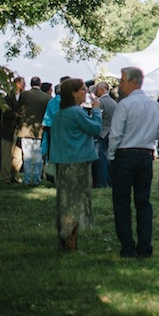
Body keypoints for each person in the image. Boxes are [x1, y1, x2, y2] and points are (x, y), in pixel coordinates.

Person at [109, 66, 159, 259]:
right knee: (143, 201)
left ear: (132, 82)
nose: (120, 85)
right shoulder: (154, 105)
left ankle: (127, 246)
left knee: (122, 201)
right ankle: (144, 247)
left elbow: (115, 134)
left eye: (122, 81)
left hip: (125, 154)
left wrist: (111, 156)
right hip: (145, 155)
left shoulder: (124, 105)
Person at [51, 78, 102, 251]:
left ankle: (66, 240)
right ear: (73, 93)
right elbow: (95, 128)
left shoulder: (60, 114)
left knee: (65, 201)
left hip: (63, 161)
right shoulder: (76, 112)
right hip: (76, 162)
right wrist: (96, 111)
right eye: (82, 89)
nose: (86, 92)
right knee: (74, 202)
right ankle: (70, 242)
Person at [17, 76, 50, 185]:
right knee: (38, 157)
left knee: (26, 156)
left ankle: (27, 178)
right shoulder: (46, 97)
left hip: (25, 129)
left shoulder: (24, 95)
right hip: (39, 130)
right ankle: (36, 178)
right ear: (40, 84)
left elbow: (19, 109)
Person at [0, 77, 24, 184]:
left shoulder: (21, 97)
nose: (24, 86)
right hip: (7, 129)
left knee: (18, 156)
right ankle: (5, 177)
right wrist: (16, 115)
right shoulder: (8, 97)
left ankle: (12, 174)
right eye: (23, 84)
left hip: (17, 129)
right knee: (6, 154)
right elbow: (6, 112)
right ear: (17, 84)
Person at [93, 82, 118, 189]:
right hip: (111, 132)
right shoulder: (114, 103)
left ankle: (102, 182)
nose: (95, 91)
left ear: (102, 90)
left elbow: (97, 117)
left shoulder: (100, 102)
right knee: (110, 158)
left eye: (97, 89)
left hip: (102, 132)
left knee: (101, 159)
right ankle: (111, 181)